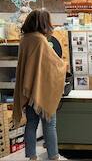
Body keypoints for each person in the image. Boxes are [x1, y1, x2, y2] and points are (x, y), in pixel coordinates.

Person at [13, 9, 67, 160]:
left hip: (28, 90)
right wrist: (64, 65)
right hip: (42, 90)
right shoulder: (40, 40)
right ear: (43, 22)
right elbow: (54, 64)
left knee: (31, 123)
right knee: (49, 125)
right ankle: (53, 156)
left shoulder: (24, 39)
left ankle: (32, 156)